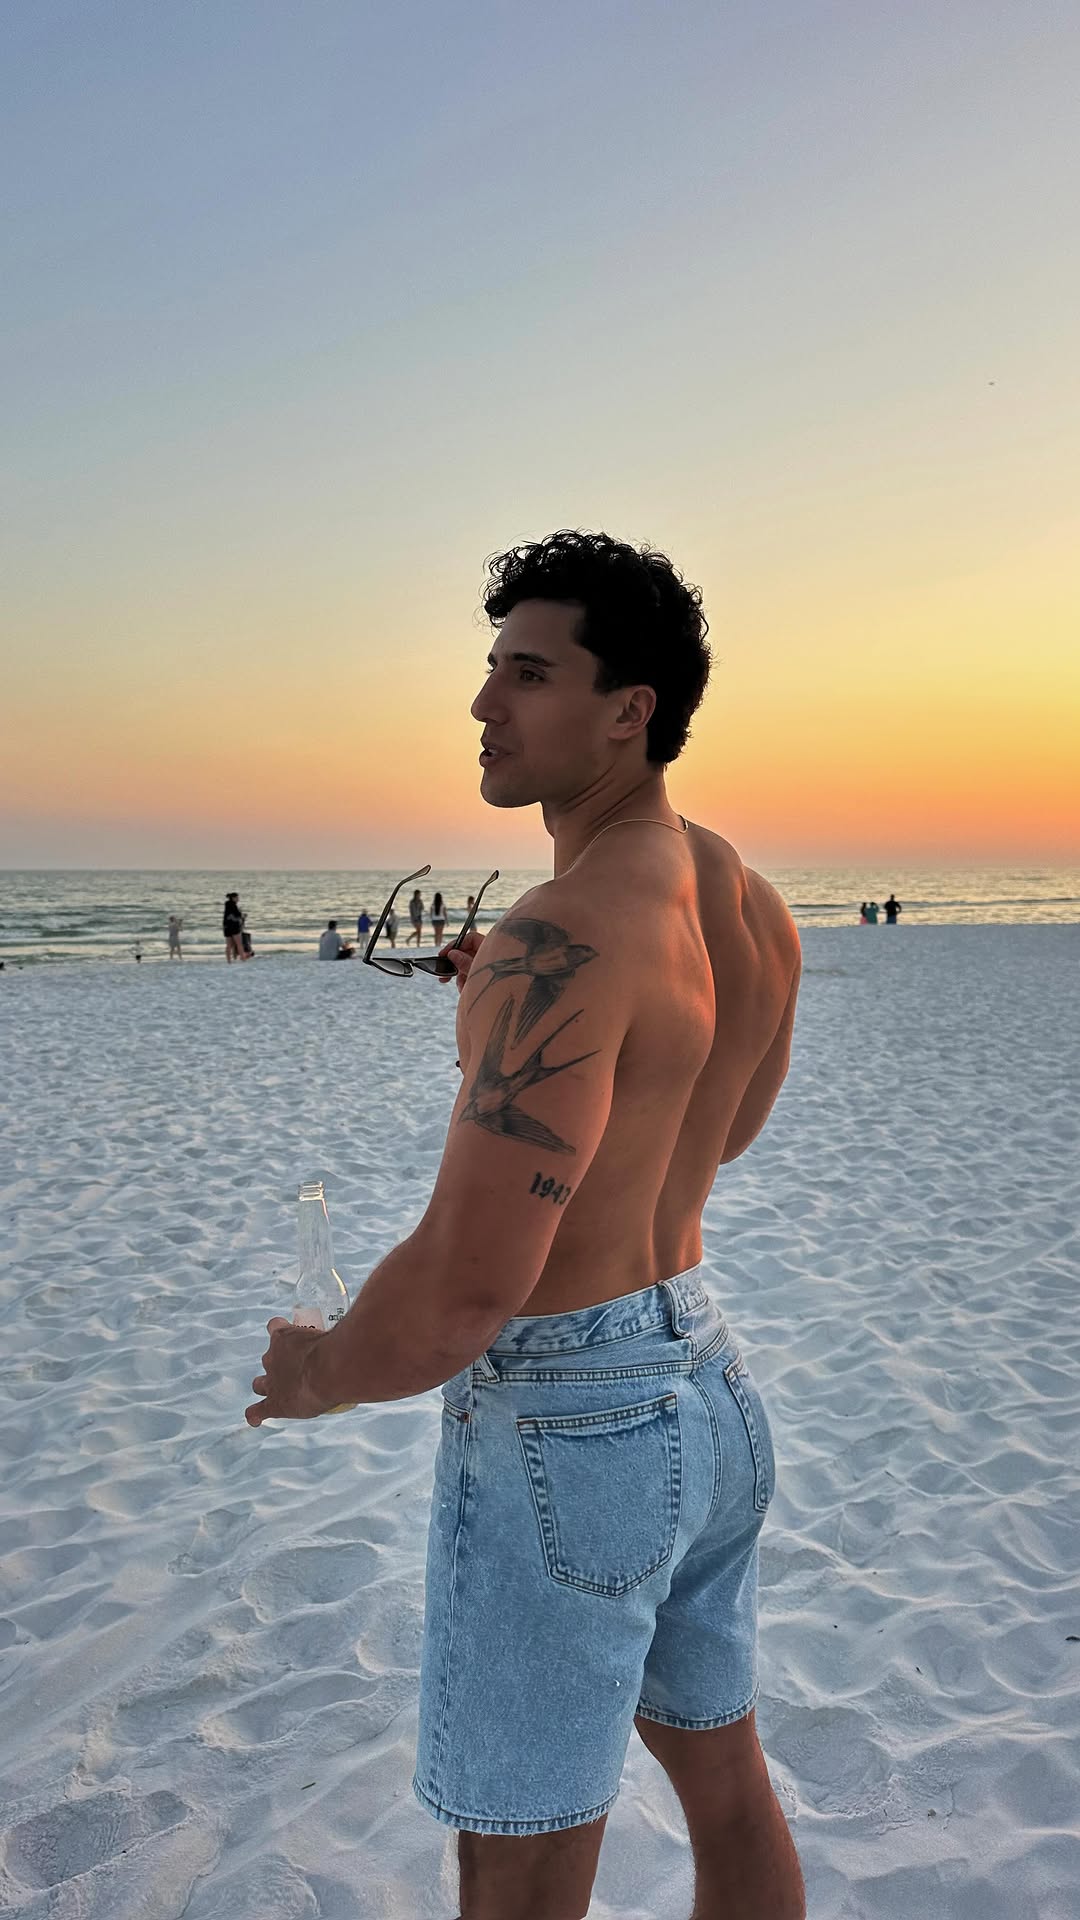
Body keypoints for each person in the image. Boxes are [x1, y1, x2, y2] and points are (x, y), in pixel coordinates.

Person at [247, 530, 806, 1920]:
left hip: (576, 1424)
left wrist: (316, 1376)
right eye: (492, 669)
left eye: (530, 674)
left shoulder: (565, 928)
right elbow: (715, 1132)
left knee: (520, 1859)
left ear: (630, 710)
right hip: (711, 1389)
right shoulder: (745, 900)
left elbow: (462, 1294)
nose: (484, 704)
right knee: (729, 1793)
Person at [222, 892, 245, 963]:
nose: (238, 899)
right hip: (234, 927)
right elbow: (237, 916)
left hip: (226, 927)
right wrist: (242, 915)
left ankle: (229, 961)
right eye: (237, 897)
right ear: (233, 898)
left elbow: (229, 916)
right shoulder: (233, 905)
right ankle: (243, 959)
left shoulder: (227, 905)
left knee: (229, 945)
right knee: (239, 944)